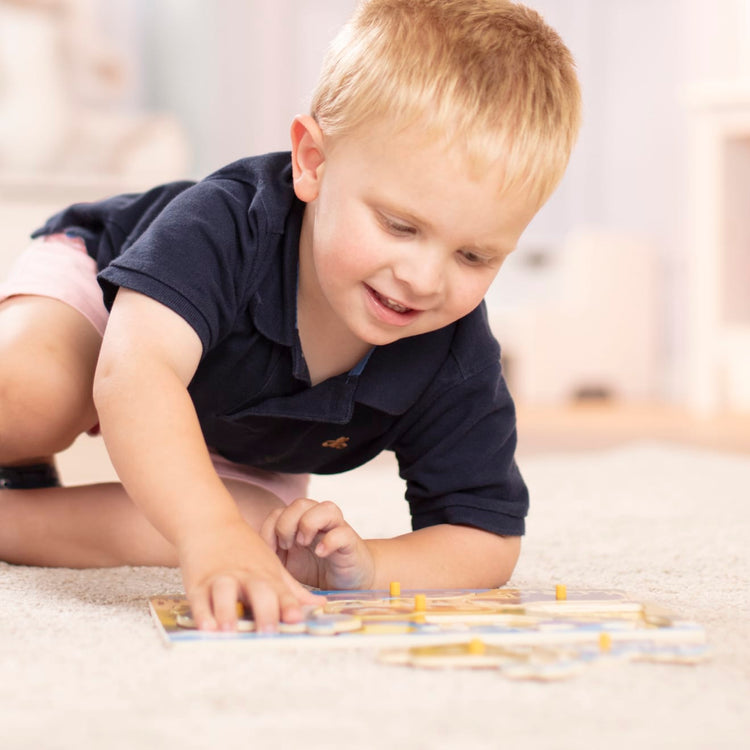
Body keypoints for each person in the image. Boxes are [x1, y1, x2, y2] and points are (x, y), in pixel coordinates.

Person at [0, 0, 581, 633]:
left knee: (258, 534)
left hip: (230, 432)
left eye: (474, 255)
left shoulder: (452, 353)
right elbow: (134, 374)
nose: (423, 279)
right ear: (312, 162)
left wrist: (363, 565)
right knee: (34, 395)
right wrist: (208, 530)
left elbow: (484, 537)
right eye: (398, 225)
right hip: (111, 305)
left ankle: (13, 515)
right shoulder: (226, 224)